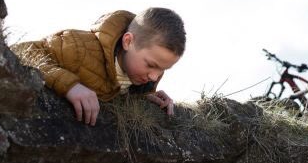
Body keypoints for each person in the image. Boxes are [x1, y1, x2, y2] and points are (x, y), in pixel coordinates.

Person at [17, 8, 186, 126]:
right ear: (127, 41)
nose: (155, 77)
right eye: (151, 65)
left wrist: (145, 94)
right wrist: (70, 86)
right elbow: (20, 52)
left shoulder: (143, 73)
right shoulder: (77, 47)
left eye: (163, 69)